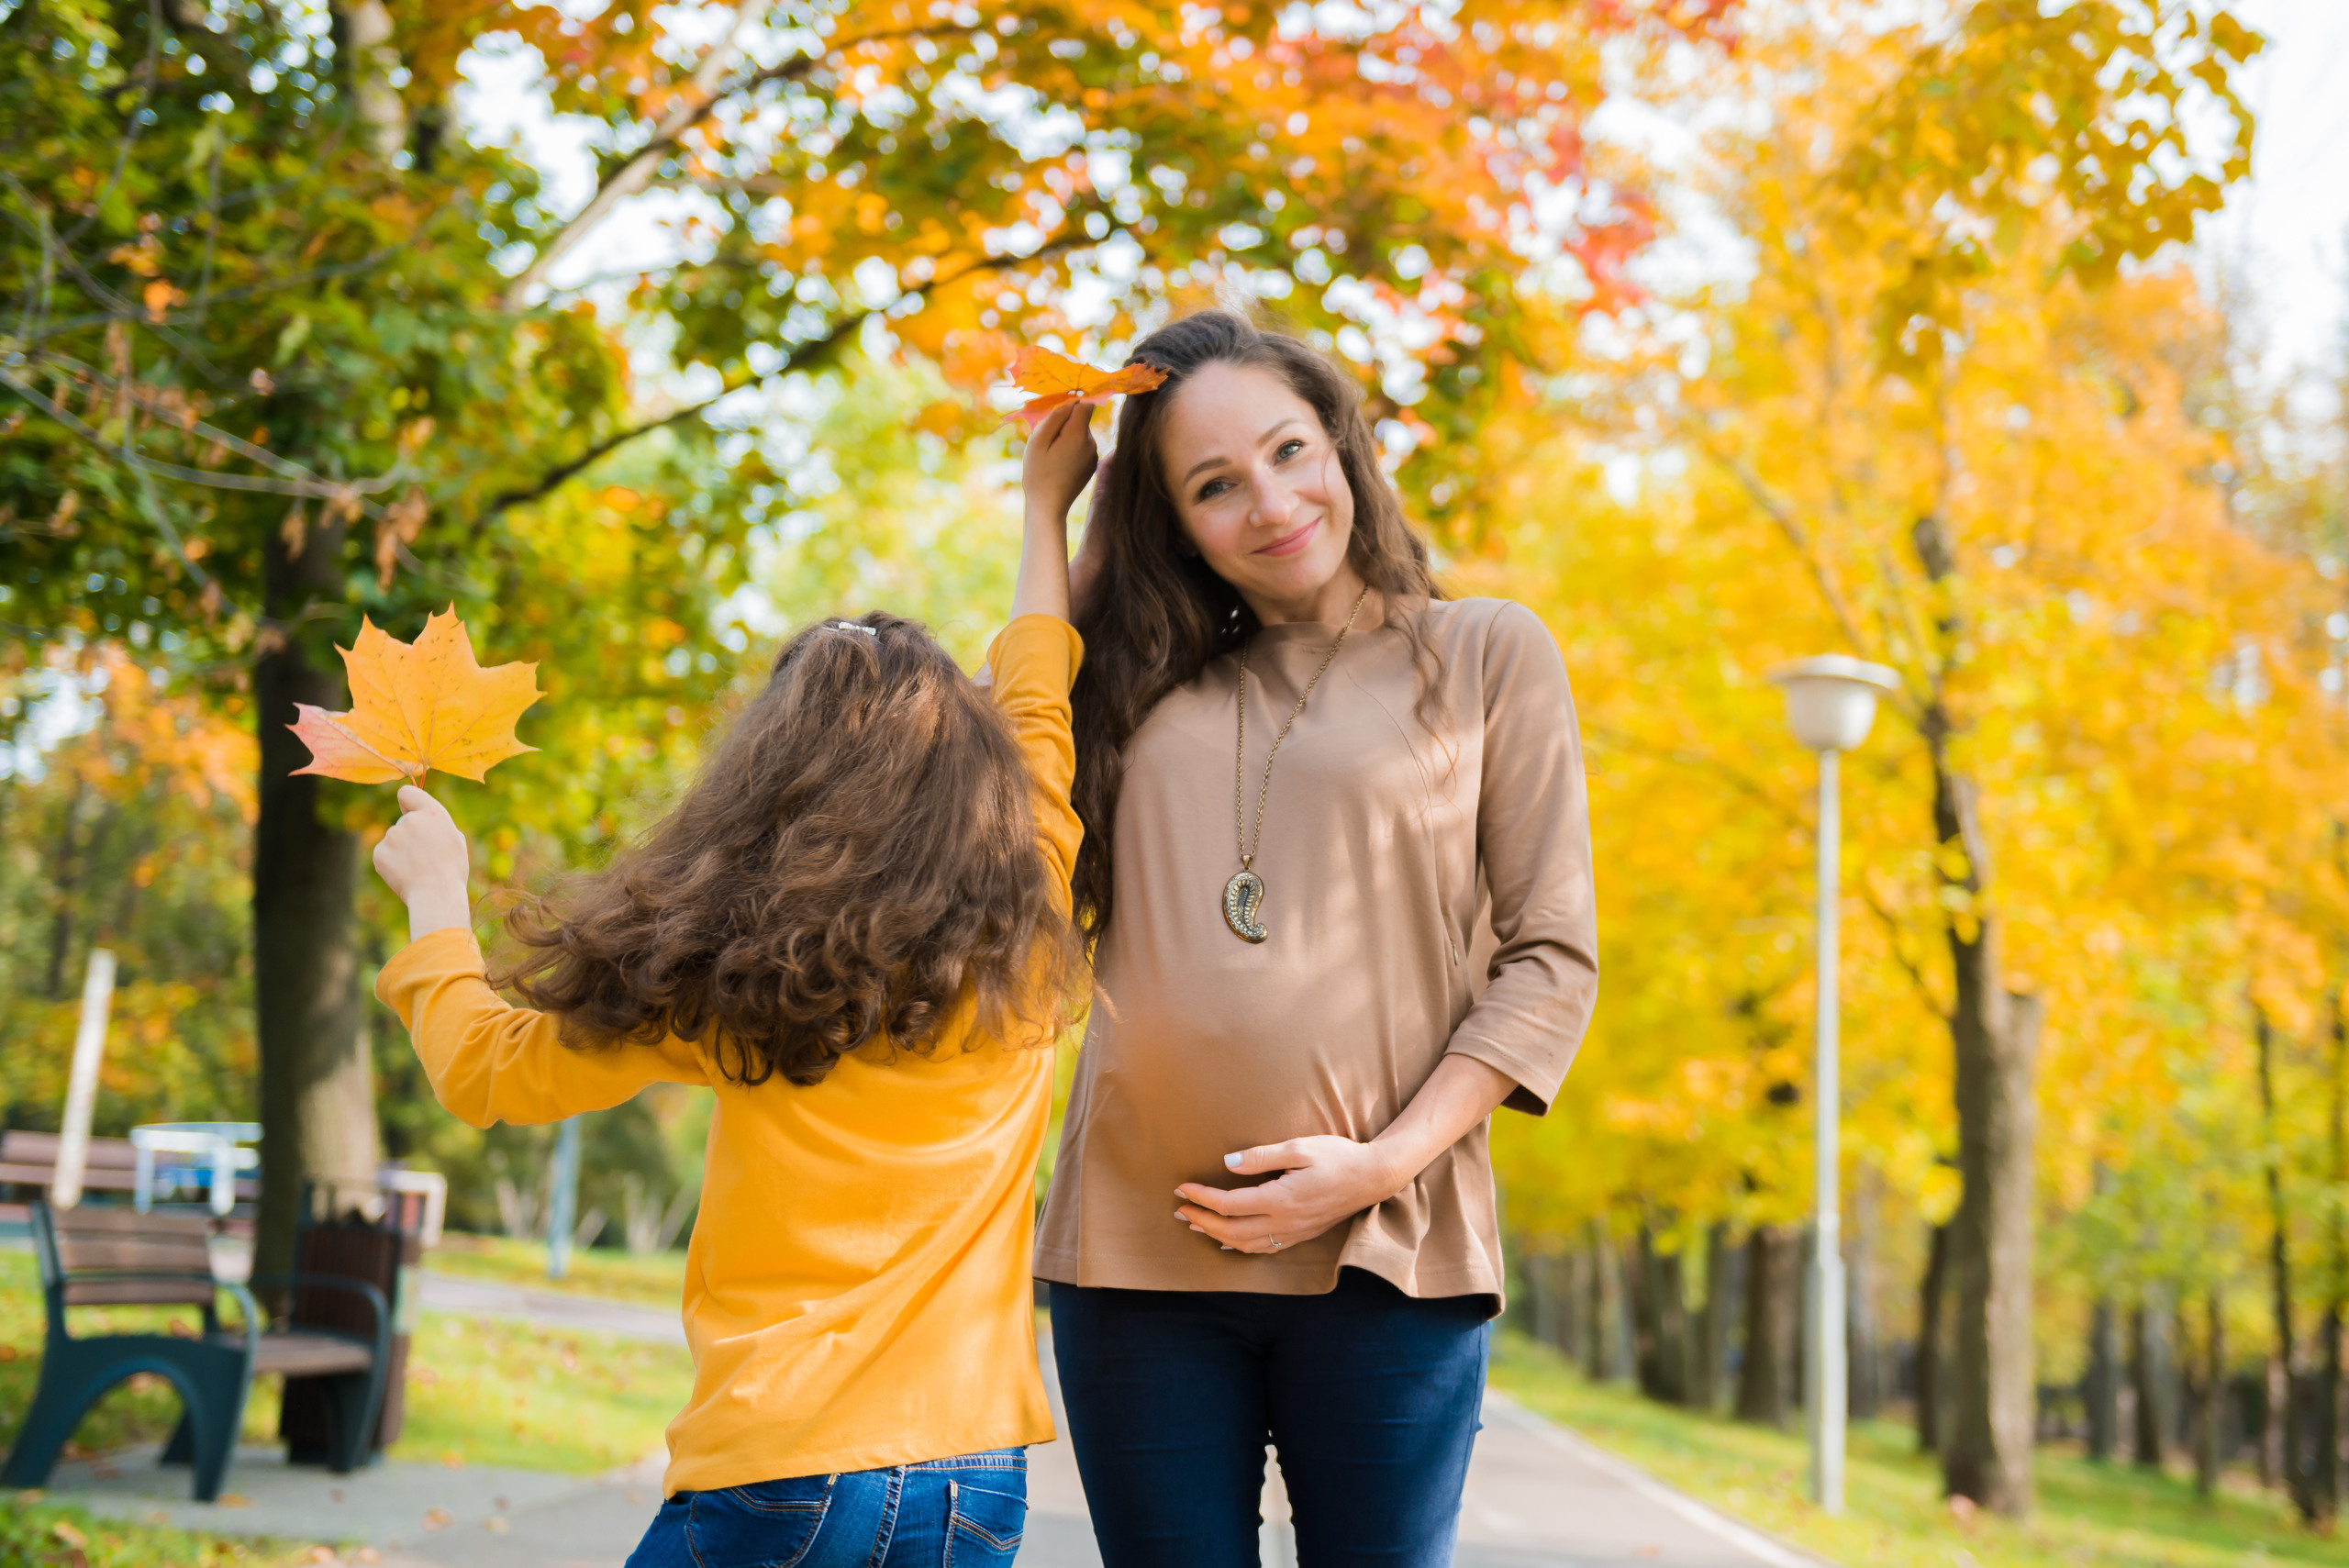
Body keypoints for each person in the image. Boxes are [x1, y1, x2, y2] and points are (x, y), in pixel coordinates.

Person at [367, 401, 1101, 1568]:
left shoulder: (736, 980)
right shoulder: (1032, 909)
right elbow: (1036, 692)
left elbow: (483, 1070)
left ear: (767, 786)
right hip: (976, 1474)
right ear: (978, 777)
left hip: (780, 1467)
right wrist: (1044, 510)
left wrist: (436, 901)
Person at [1029, 309, 1598, 1567]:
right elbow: (980, 796)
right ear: (1170, 521)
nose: (1272, 502)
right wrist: (1052, 525)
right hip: (1135, 1260)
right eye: (1213, 485)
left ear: (1344, 444)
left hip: (1386, 1257)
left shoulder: (1483, 653)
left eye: (1290, 450)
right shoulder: (1135, 687)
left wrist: (1381, 1163)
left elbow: (1551, 957)